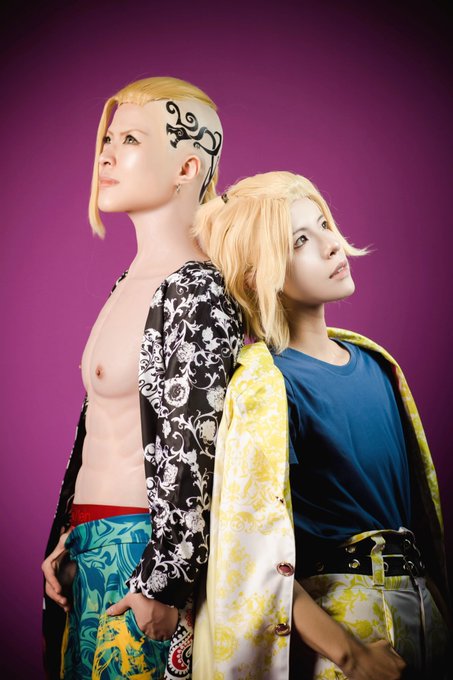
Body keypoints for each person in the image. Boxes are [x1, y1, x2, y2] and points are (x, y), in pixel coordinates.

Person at [191, 171, 450, 679]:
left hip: (427, 616)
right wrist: (349, 653)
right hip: (344, 628)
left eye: (324, 225)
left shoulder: (378, 365)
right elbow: (251, 550)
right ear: (254, 276)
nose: (332, 245)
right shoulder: (267, 384)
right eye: (300, 241)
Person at [41, 76, 243, 680]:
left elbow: (193, 449)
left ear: (186, 167)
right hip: (92, 545)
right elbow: (106, 429)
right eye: (108, 139)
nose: (105, 155)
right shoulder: (130, 282)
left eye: (130, 139)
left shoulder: (198, 289)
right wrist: (67, 537)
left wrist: (166, 579)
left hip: (144, 554)